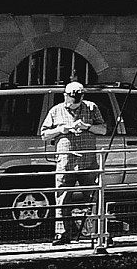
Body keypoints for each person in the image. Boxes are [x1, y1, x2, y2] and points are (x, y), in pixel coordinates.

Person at [37, 81, 106, 243]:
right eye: (72, 99)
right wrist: (61, 129)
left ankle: (96, 233)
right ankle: (62, 234)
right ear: (65, 96)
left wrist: (87, 126)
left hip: (88, 162)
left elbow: (103, 129)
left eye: (78, 99)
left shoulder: (91, 107)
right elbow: (44, 134)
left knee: (94, 197)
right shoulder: (56, 110)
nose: (75, 103)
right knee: (62, 198)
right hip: (65, 163)